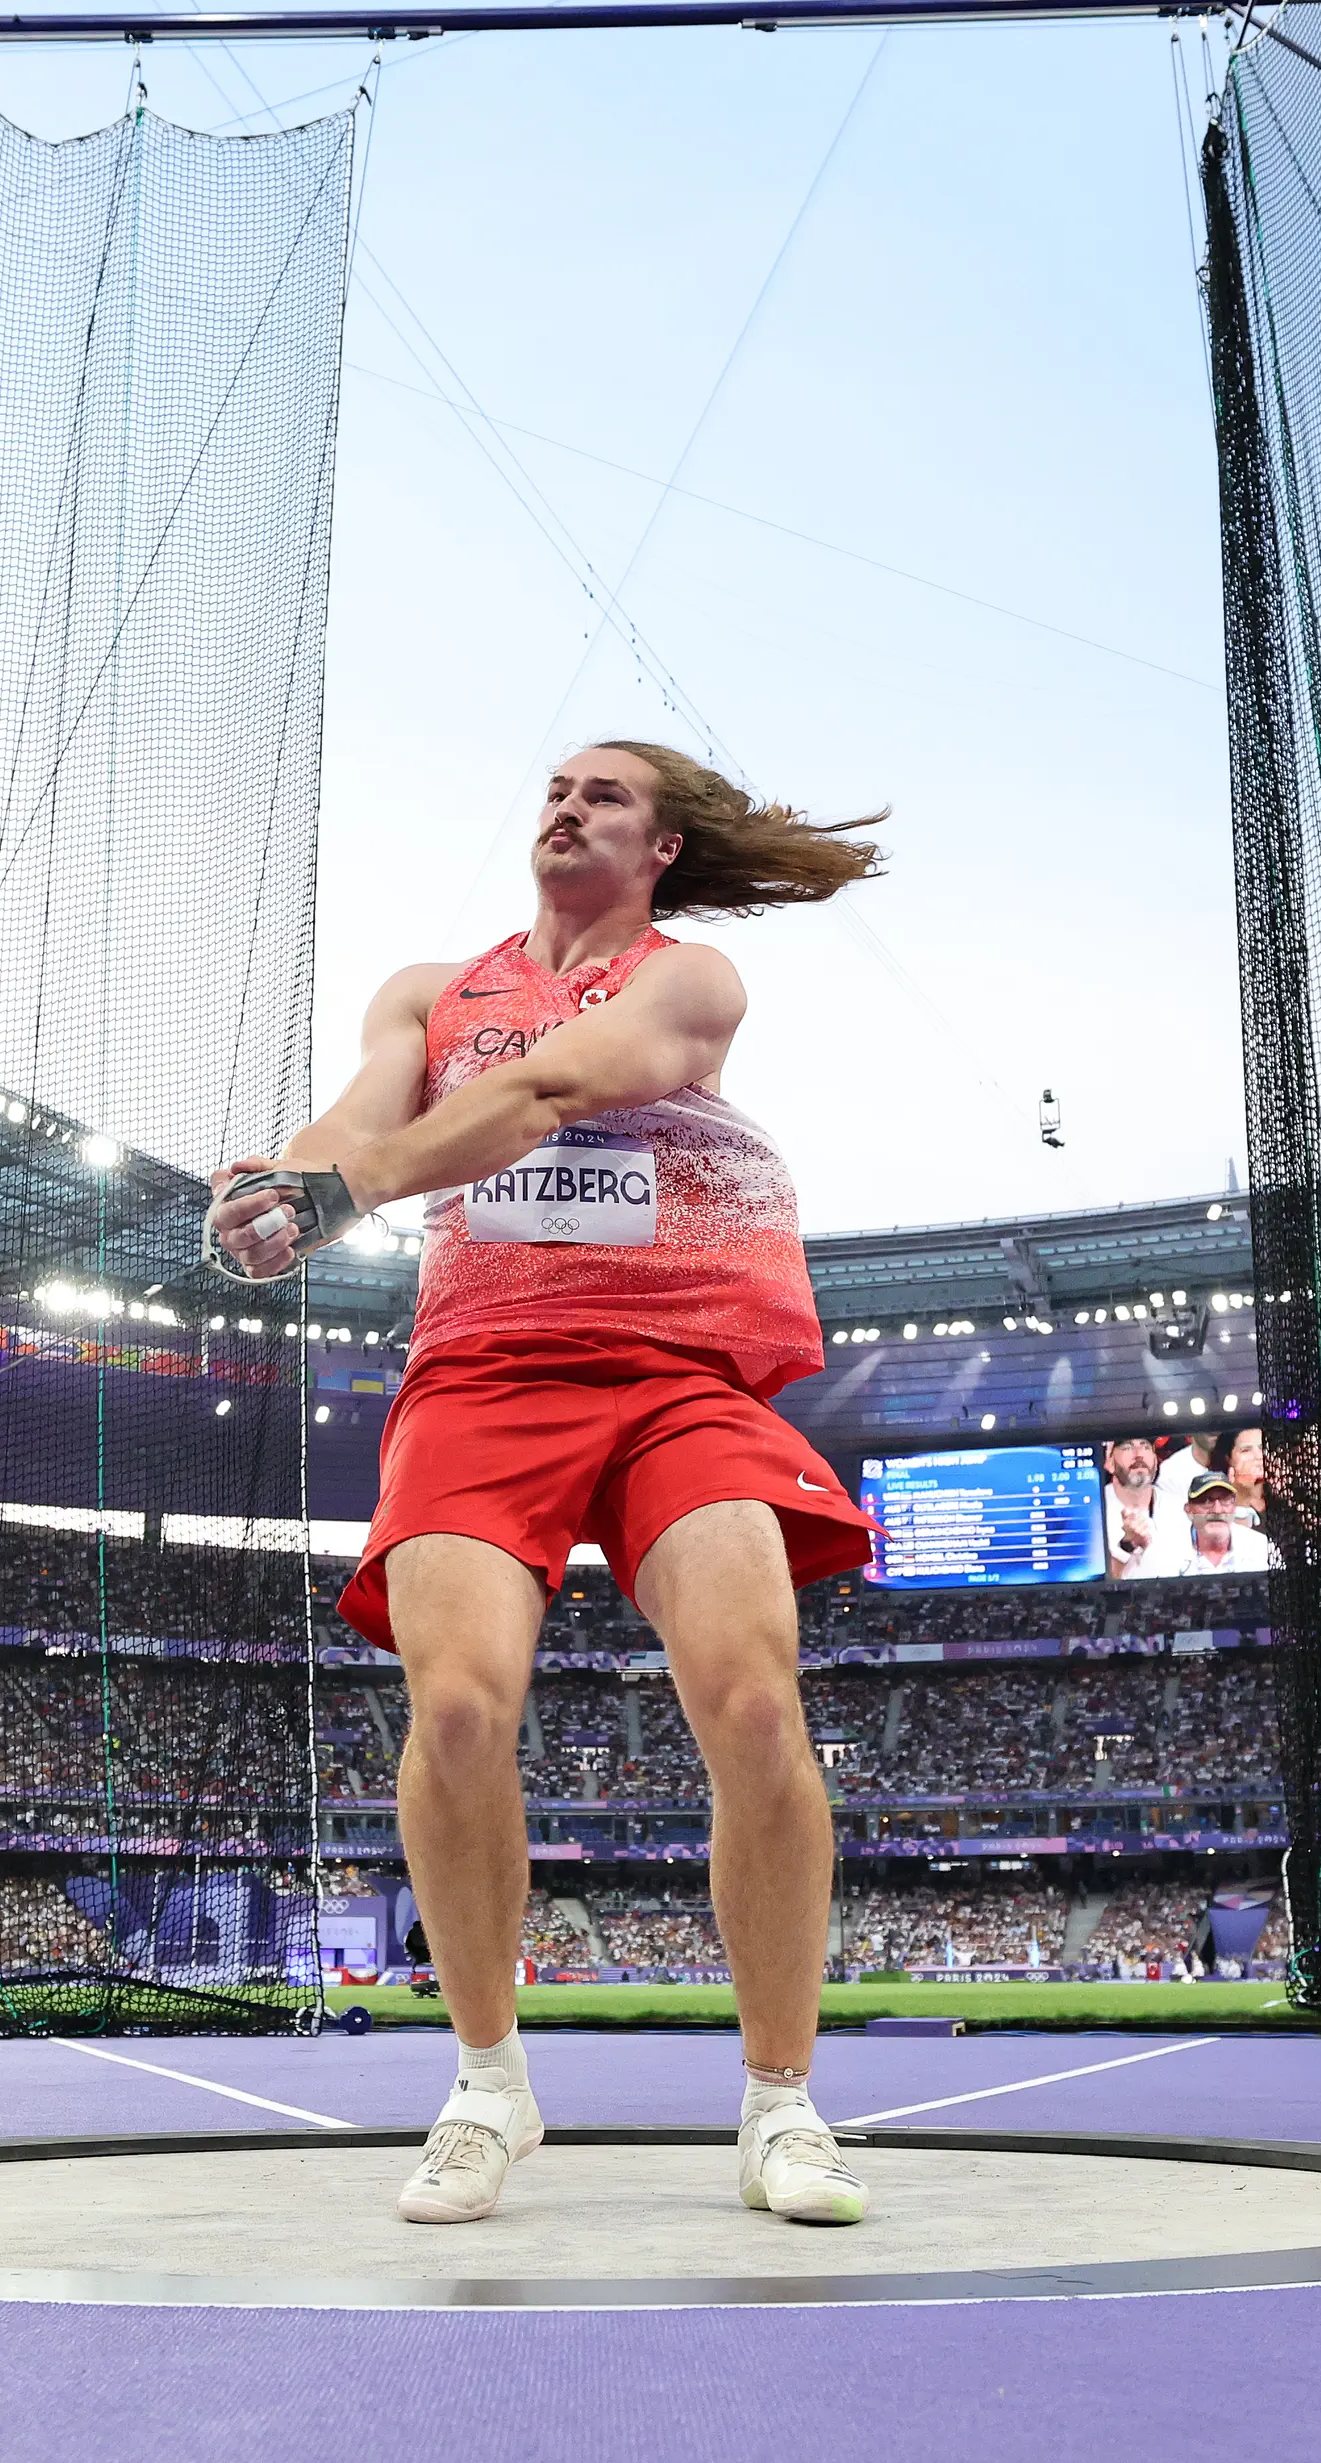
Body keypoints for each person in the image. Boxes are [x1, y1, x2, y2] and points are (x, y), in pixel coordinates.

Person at [208, 738, 887, 2228]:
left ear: (662, 848)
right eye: (557, 790)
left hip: (674, 1371)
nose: (568, 807)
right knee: (454, 1709)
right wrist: (283, 1186)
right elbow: (358, 1126)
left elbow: (555, 1086)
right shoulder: (429, 992)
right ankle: (487, 2088)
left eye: (607, 795)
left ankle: (782, 2104)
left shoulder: (689, 979)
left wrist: (346, 1190)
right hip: (483, 1371)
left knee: (753, 1698)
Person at [1099, 1438, 1175, 1581]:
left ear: (1155, 1461)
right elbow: (1092, 1586)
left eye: (1145, 1447)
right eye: (1127, 1448)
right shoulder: (1092, 1509)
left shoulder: (1178, 1508)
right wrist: (1128, 1545)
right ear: (1109, 1462)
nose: (1139, 1454)